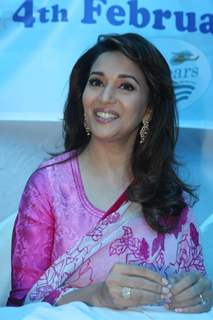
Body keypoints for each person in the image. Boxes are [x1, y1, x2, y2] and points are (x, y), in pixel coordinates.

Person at [7, 33, 212, 313]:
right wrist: (97, 295)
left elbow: (196, 286)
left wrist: (197, 293)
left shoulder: (168, 194)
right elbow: (22, 302)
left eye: (125, 86)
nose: (105, 97)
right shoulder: (50, 185)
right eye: (96, 82)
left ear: (148, 109)